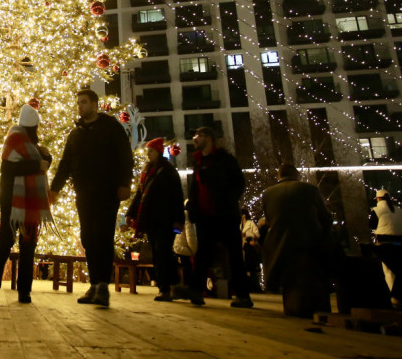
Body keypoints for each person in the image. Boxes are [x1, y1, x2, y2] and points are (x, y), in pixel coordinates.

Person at [49, 89, 133, 308]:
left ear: (95, 104)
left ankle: (103, 285)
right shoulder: (76, 134)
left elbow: (125, 156)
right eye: (78, 103)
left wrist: (125, 183)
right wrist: (54, 189)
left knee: (103, 237)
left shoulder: (111, 128)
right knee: (88, 238)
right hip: (84, 193)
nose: (80, 106)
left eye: (84, 102)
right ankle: (95, 284)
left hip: (107, 192)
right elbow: (65, 164)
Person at [0, 104, 52, 304]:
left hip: (23, 200)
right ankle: (14, 289)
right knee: (19, 242)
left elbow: (43, 162)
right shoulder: (16, 140)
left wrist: (44, 158)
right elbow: (11, 169)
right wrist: (38, 163)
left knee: (11, 241)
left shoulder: (28, 143)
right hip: (14, 199)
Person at [186, 126, 252, 308]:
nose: (195, 139)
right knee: (202, 255)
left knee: (234, 255)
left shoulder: (225, 160)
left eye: (198, 135)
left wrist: (226, 202)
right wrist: (193, 209)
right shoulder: (199, 162)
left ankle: (242, 295)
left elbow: (238, 183)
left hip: (225, 215)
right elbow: (196, 189)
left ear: (209, 138)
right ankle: (196, 291)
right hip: (205, 217)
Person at [261, 164, 335, 317]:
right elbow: (325, 216)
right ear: (296, 175)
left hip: (279, 243)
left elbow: (269, 219)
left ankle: (283, 294)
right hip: (309, 241)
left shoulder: (268, 193)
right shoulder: (310, 189)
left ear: (278, 176)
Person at [124, 137, 184, 302]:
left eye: (150, 151)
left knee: (162, 252)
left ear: (158, 152)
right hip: (151, 220)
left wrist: (178, 219)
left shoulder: (168, 171)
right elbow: (140, 194)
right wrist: (131, 213)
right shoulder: (147, 172)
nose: (148, 154)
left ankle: (167, 287)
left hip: (165, 219)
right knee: (158, 254)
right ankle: (170, 286)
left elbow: (177, 196)